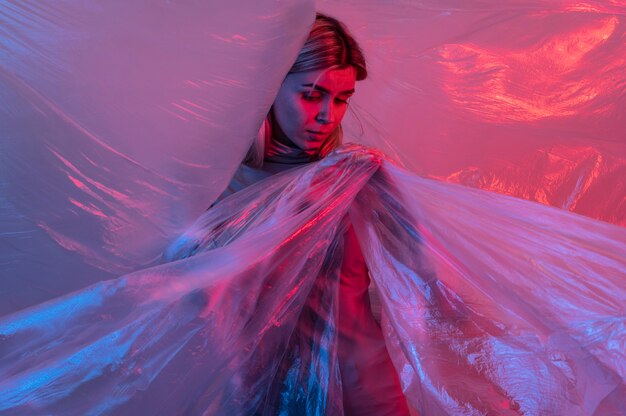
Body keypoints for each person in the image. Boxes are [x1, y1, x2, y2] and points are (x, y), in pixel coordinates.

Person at [201, 12, 413, 415]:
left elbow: (423, 282)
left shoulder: (358, 176)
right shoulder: (215, 186)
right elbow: (185, 299)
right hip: (261, 391)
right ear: (268, 87)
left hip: (364, 387)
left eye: (342, 99)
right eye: (312, 95)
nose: (327, 116)